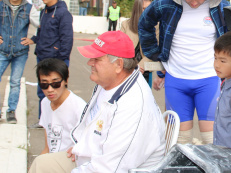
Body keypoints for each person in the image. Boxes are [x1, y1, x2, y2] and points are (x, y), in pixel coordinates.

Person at [28, 31, 166, 173]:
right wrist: (82, 146)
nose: (89, 63)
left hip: (106, 168)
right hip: (90, 158)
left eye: (97, 59)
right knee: (41, 164)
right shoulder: (110, 83)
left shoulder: (132, 108)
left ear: (118, 65)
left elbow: (110, 169)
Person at [139, 0, 229, 144]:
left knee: (211, 140)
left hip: (209, 79)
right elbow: (144, 24)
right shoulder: (165, 2)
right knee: (177, 140)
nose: (194, 3)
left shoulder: (221, 6)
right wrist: (156, 56)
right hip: (176, 79)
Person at [29, 0, 73, 126]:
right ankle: (43, 121)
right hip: (42, 58)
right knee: (43, 91)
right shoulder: (44, 11)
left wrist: (60, 61)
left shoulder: (62, 13)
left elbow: (67, 38)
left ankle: (59, 122)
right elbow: (41, 31)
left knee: (57, 91)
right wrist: (34, 40)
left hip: (56, 60)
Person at [0, 0, 39, 123]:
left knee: (15, 82)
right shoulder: (1, 5)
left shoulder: (29, 8)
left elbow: (42, 25)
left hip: (20, 52)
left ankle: (11, 111)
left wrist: (33, 39)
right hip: (2, 50)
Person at [37, 58, 86, 154]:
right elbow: (47, 145)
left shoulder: (79, 108)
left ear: (66, 80)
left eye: (55, 83)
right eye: (44, 84)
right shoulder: (45, 102)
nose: (50, 89)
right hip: (52, 159)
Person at [121, 0, 154, 87]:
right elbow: (119, 49)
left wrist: (139, 67)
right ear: (137, 9)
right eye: (144, 8)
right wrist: (131, 68)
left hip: (144, 72)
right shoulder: (125, 25)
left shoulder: (156, 26)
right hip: (126, 71)